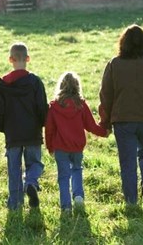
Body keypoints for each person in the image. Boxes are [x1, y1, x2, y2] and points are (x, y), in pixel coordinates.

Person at [99, 24, 143, 205]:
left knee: (128, 162)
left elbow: (106, 95)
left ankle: (131, 201)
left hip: (123, 120)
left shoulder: (115, 65)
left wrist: (105, 122)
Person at [0, 42, 48, 210]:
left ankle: (15, 204)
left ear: (10, 59)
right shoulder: (35, 82)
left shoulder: (3, 85)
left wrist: (2, 127)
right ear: (28, 59)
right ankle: (31, 181)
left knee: (14, 170)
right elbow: (42, 107)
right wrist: (42, 123)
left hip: (13, 134)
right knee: (35, 163)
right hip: (32, 132)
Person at [44, 72, 108, 212]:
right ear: (77, 87)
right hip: (77, 147)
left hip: (60, 147)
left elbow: (49, 129)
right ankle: (78, 195)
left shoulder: (54, 107)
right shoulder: (81, 105)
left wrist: (50, 147)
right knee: (77, 170)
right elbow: (91, 126)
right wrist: (105, 132)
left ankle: (66, 206)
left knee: (63, 176)